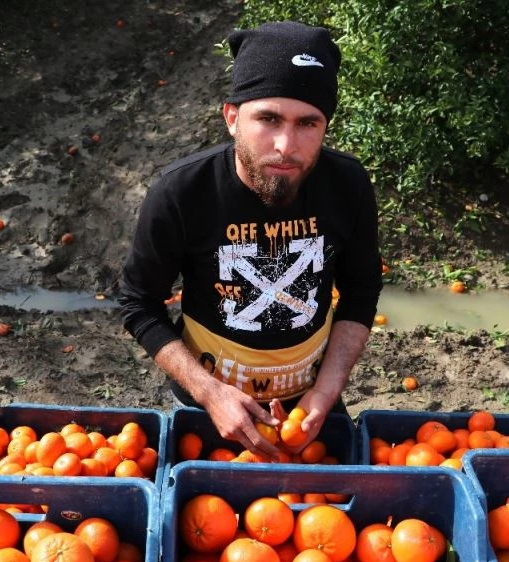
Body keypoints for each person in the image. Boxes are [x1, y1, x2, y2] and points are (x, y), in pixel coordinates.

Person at [117, 20, 383, 459]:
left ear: (325, 126)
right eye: (268, 118)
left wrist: (328, 389)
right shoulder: (182, 193)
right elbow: (139, 303)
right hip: (209, 405)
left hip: (313, 405)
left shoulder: (347, 185)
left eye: (308, 123)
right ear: (232, 117)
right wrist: (209, 393)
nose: (286, 145)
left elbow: (362, 289)